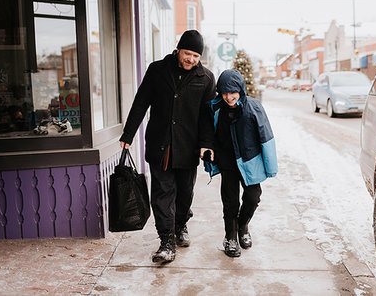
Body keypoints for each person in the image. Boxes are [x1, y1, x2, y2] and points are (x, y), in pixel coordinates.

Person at [119, 30, 216, 263]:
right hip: (160, 144)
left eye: (195, 55)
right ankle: (166, 241)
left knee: (185, 193)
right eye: (187, 53)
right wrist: (129, 133)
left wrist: (206, 145)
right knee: (162, 194)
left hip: (188, 146)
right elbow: (141, 102)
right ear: (178, 49)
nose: (191, 59)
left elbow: (207, 116)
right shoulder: (157, 70)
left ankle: (181, 224)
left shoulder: (206, 78)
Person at [204, 69, 278, 257]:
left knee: (253, 196)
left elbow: (266, 136)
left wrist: (270, 166)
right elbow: (208, 133)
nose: (229, 97)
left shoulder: (253, 107)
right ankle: (230, 236)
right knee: (230, 201)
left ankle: (243, 226)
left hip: (249, 160)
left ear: (241, 89)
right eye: (225, 93)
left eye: (233, 92)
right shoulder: (215, 108)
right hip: (227, 161)